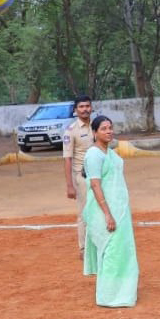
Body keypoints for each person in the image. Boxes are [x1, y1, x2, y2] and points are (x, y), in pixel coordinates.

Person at [82, 116, 138, 307]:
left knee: (122, 251)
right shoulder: (93, 154)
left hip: (120, 209)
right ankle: (108, 295)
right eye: (104, 128)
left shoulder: (110, 153)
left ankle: (123, 292)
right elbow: (95, 185)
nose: (108, 131)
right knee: (111, 252)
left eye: (110, 128)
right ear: (95, 132)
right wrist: (107, 213)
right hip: (104, 211)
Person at [63, 96, 95, 256]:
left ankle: (99, 244)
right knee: (84, 212)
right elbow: (67, 158)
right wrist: (70, 185)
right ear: (76, 110)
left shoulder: (97, 126)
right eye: (81, 107)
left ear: (92, 108)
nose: (85, 109)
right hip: (82, 177)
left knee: (101, 209)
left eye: (87, 106)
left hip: (99, 176)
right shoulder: (71, 131)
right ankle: (84, 248)